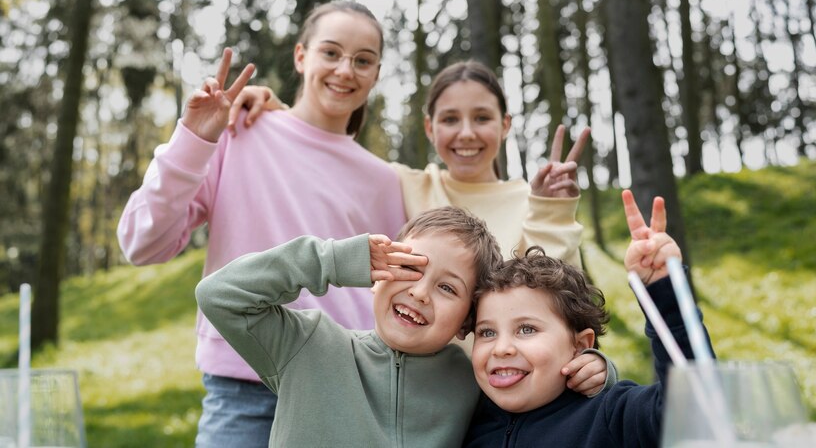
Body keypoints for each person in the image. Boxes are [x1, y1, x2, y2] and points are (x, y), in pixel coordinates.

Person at [117, 1, 408, 447]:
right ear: (300, 56)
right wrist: (193, 139)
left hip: (347, 392)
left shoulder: (384, 181)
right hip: (243, 391)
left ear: (375, 72)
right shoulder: (236, 133)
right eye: (331, 53)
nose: (345, 70)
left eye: (363, 60)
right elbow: (141, 243)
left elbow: (392, 293)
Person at [195, 206, 614, 447]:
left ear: (467, 322)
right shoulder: (306, 345)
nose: (419, 293)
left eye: (447, 288)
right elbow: (221, 295)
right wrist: (337, 261)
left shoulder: (469, 378)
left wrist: (597, 371)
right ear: (379, 269)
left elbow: (540, 400)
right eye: (408, 269)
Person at [235, 61, 589, 268]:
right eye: (450, 120)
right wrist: (278, 112)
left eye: (482, 118)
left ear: (505, 125)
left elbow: (560, 294)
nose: (466, 133)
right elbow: (333, 158)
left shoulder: (531, 201)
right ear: (429, 128)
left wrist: (551, 210)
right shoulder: (405, 185)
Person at [462, 190, 715, 447]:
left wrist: (663, 292)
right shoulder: (466, 423)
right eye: (487, 332)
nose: (501, 348)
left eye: (527, 329)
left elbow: (695, 409)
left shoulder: (610, 415)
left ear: (581, 345)